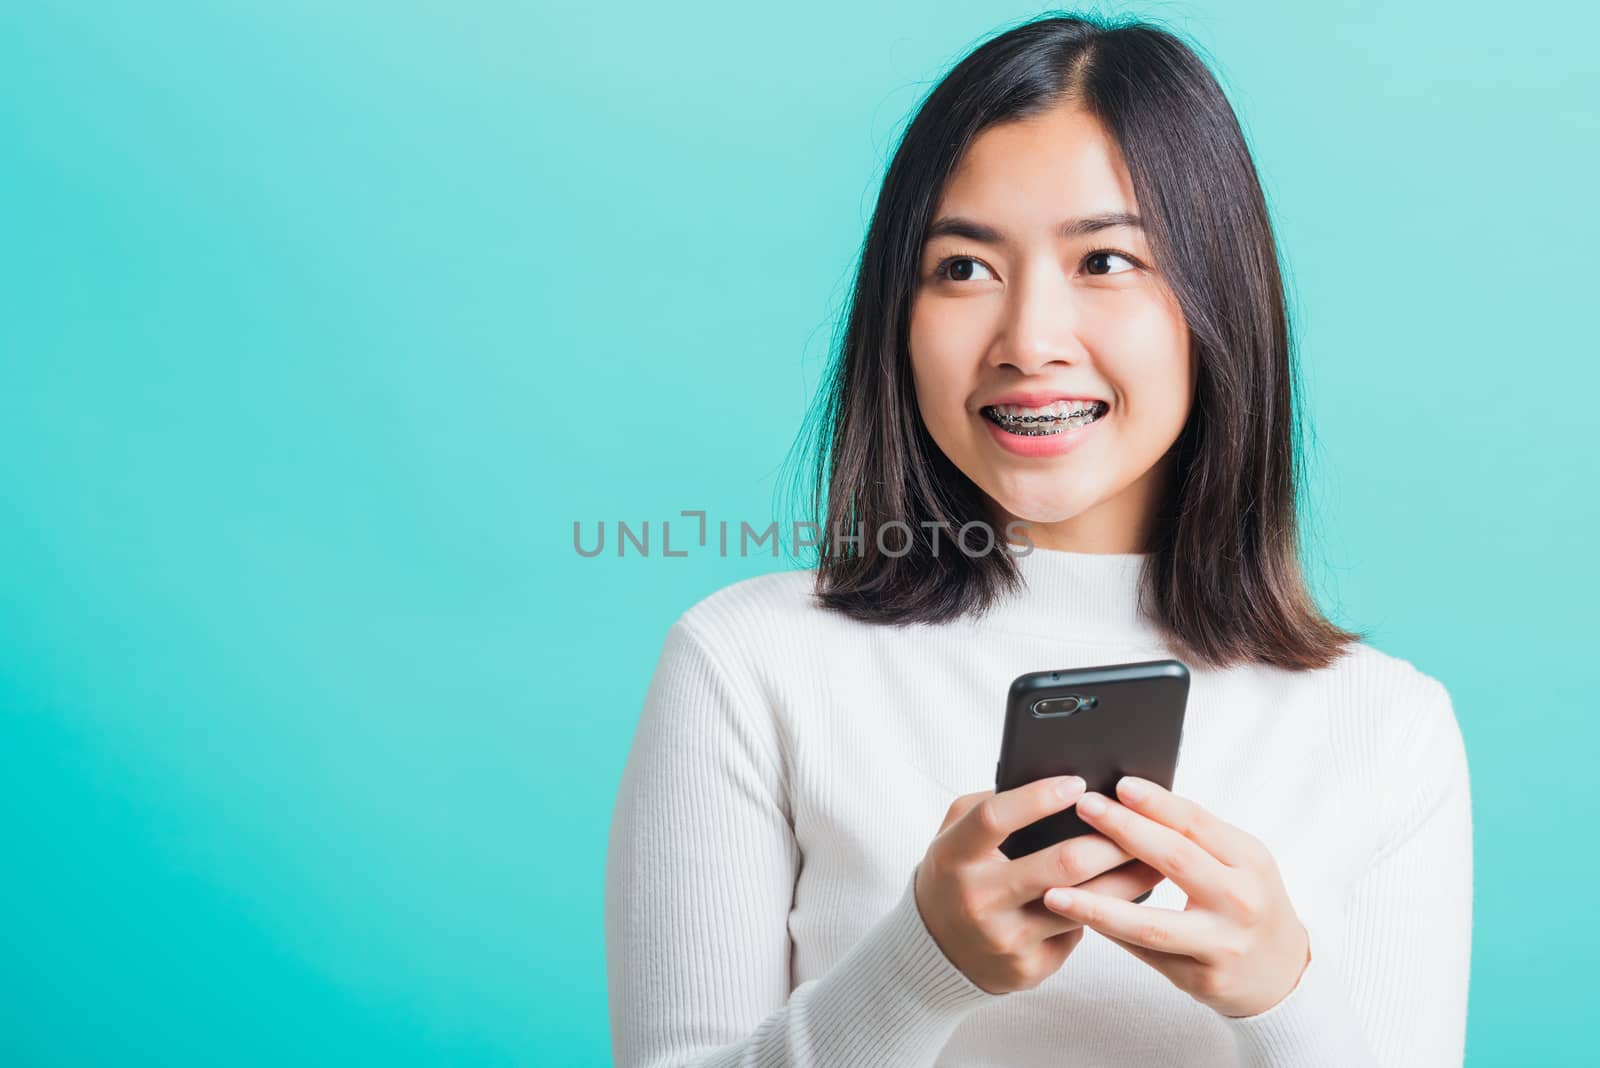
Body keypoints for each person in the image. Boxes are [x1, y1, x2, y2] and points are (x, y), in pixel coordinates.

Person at [603, 13, 1472, 1067]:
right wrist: (920, 965)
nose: (1028, 342)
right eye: (962, 269)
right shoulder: (748, 663)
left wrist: (1283, 995)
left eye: (1105, 260)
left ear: (1216, 303)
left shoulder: (1385, 725)